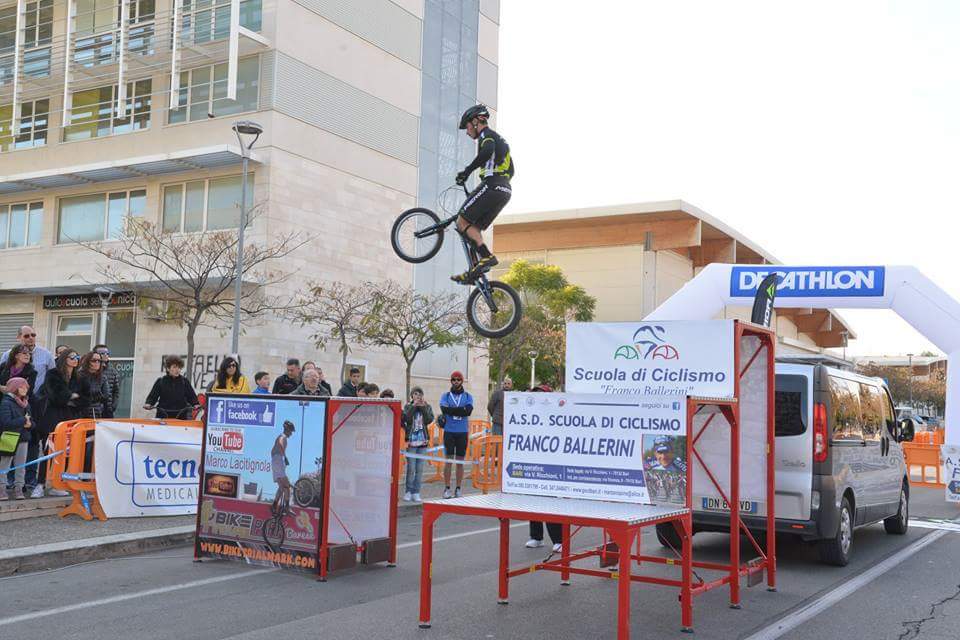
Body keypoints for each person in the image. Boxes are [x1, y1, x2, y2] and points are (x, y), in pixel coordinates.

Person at [450, 104, 515, 284]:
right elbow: (512, 170)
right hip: (504, 190)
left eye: (467, 126)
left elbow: (487, 151)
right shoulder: (501, 140)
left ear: (476, 121)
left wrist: (467, 171)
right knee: (472, 228)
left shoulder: (487, 136)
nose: (467, 131)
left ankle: (486, 257)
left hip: (493, 185)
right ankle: (475, 269)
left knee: (462, 221)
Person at [35, 349, 86, 497]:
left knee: (64, 452)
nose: (76, 359)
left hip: (69, 417)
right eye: (72, 357)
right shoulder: (53, 374)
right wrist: (70, 397)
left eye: (78, 357)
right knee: (48, 450)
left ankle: (57, 484)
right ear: (64, 359)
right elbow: (56, 396)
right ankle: (40, 484)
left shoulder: (79, 378)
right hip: (51, 417)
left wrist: (71, 399)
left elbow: (85, 399)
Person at [526, 383, 562, 552]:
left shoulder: (558, 416)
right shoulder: (528, 416)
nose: (539, 398)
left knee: (550, 504)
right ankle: (536, 537)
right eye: (536, 395)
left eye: (542, 395)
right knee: (533, 502)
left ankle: (558, 540)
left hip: (551, 465)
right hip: (533, 464)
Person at [439, 371, 473, 498]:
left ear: (462, 381)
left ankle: (458, 488)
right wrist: (461, 410)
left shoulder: (468, 396)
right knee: (448, 461)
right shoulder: (446, 396)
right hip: (449, 432)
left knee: (460, 462)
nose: (456, 381)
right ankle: (447, 488)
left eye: (459, 379)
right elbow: (444, 409)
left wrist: (452, 411)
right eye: (454, 379)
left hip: (462, 432)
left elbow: (468, 412)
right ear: (451, 381)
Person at [0, 377, 32, 500]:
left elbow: (32, 421)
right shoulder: (6, 403)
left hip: (23, 438)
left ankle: (19, 489)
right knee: (5, 464)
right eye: (22, 386)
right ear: (14, 388)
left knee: (21, 465)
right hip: (9, 438)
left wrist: (30, 425)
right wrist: (24, 420)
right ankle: (1, 489)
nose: (25, 389)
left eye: (26, 387)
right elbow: (6, 422)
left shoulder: (26, 403)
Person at [401, 387, 433, 502]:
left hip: (423, 442)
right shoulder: (408, 406)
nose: (418, 396)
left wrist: (423, 408)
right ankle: (408, 491)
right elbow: (407, 419)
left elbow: (429, 420)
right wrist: (414, 407)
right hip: (411, 441)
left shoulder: (427, 406)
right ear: (411, 396)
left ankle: (416, 492)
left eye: (420, 394)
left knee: (419, 469)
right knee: (411, 468)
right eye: (415, 394)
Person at [271, 420, 295, 514]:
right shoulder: (283, 436)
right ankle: (287, 508)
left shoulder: (281, 436)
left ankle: (274, 505)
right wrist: (285, 457)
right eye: (291, 431)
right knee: (287, 487)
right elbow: (281, 443)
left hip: (274, 461)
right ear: (287, 430)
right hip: (278, 459)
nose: (291, 434)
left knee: (281, 488)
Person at [78, 351, 111, 419]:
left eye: (99, 361)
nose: (97, 363)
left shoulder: (103, 377)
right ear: (87, 362)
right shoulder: (79, 375)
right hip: (80, 412)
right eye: (94, 360)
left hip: (97, 412)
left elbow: (106, 396)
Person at [94, 344, 120, 418]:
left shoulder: (113, 371)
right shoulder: (90, 370)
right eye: (102, 353)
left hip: (108, 410)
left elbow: (116, 391)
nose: (105, 355)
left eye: (107, 353)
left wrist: (113, 406)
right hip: (94, 409)